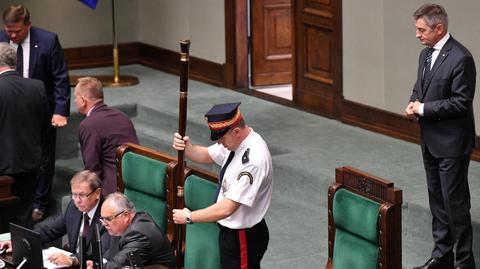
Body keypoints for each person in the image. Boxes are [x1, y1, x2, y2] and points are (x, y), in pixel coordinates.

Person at [405, 4, 476, 269]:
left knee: (455, 204)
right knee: (437, 201)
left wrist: (423, 108)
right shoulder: (425, 55)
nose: (417, 35)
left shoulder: (461, 58)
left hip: (453, 144)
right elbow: (420, 87)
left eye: (421, 30)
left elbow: (461, 102)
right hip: (430, 141)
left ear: (439, 28)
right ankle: (442, 256)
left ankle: (464, 263)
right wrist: (413, 103)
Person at [172, 102, 273, 269]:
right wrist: (187, 148)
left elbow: (227, 208)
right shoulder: (235, 142)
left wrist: (189, 217)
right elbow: (206, 155)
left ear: (236, 131)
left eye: (222, 139)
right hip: (230, 232)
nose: (220, 143)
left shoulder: (254, 159)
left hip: (243, 236)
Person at [0, 5, 71, 223]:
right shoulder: (0, 39)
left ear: (28, 25)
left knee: (43, 154)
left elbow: (60, 78)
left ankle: (40, 202)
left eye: (17, 31)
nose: (12, 35)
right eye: (8, 31)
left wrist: (60, 111)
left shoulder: (48, 40)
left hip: (38, 105)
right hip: (6, 103)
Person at [0, 170, 111, 267]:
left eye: (82, 195)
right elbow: (49, 230)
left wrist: (72, 260)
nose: (77, 200)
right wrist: (18, 243)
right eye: (74, 194)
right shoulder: (74, 207)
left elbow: (101, 253)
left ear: (97, 193)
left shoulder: (108, 215)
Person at [0, 42, 49, 229]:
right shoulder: (37, 87)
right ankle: (25, 255)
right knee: (24, 215)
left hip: (2, 168)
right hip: (29, 162)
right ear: (16, 62)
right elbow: (46, 127)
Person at [74, 76, 138, 195]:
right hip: (135, 183)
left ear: (83, 100)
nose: (74, 101)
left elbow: (92, 171)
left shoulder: (88, 125)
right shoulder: (122, 116)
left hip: (111, 192)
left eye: (75, 98)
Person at [87, 192, 176, 269]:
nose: (103, 223)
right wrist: (98, 263)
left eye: (108, 219)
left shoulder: (139, 234)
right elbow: (112, 254)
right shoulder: (122, 228)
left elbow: (117, 266)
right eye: (103, 219)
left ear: (125, 215)